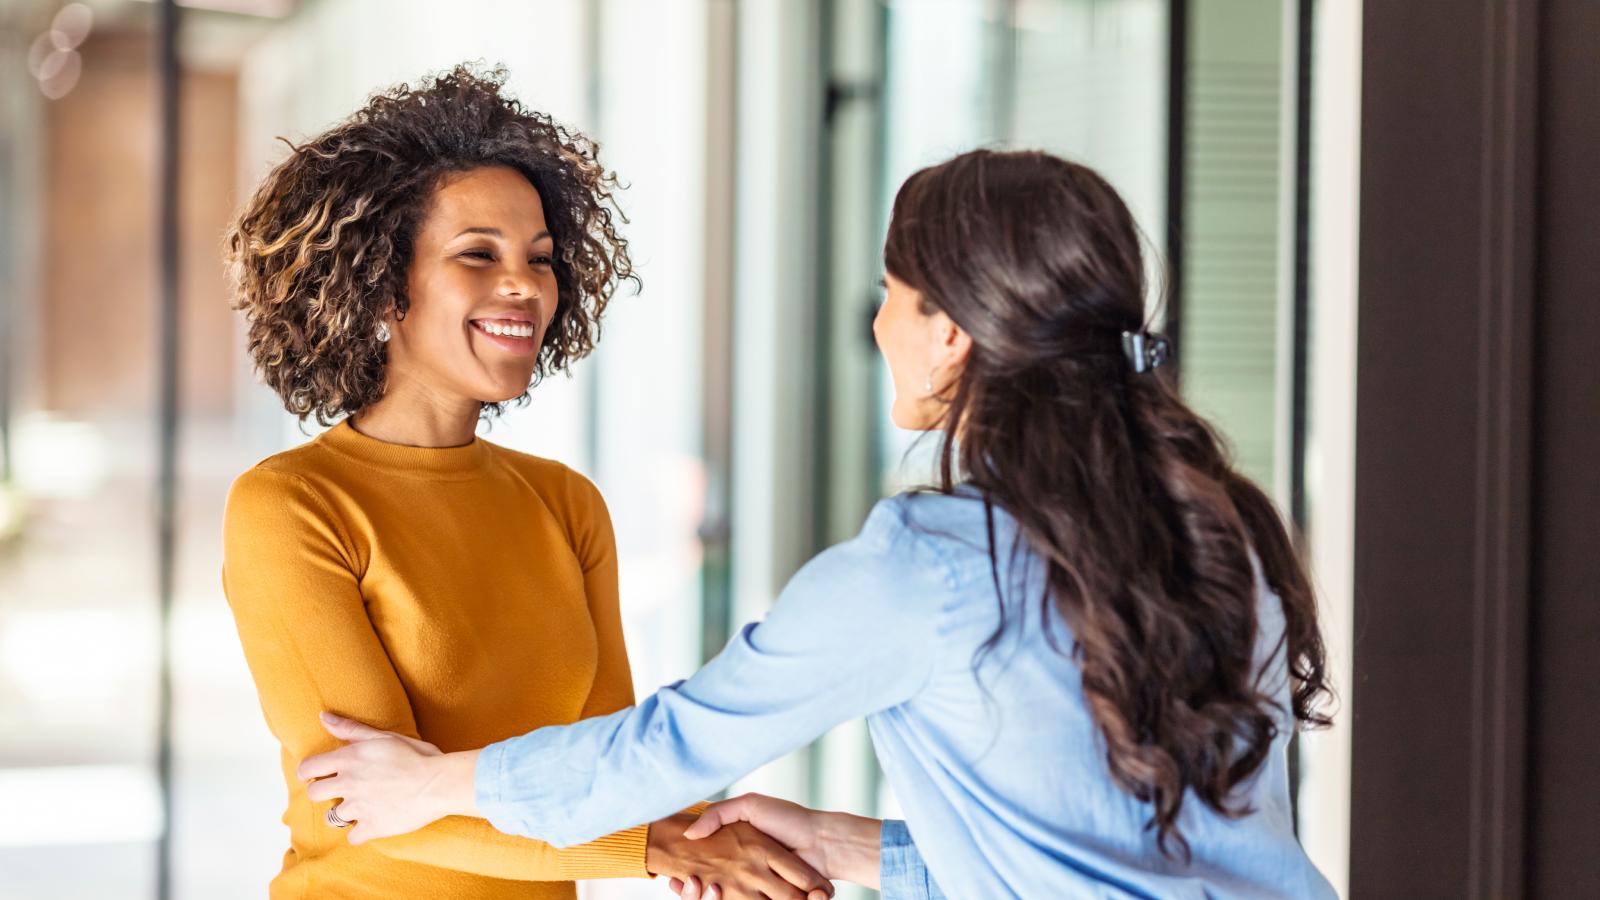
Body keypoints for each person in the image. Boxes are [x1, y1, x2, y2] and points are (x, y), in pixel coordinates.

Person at [303, 148, 1339, 900]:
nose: (878, 323)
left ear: (948, 334)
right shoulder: (1218, 529)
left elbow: (672, 746)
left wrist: (434, 783)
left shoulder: (927, 569)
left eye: (890, 293)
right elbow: (1111, 853)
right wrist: (843, 846)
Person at [220, 64, 831, 900]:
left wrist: (729, 840)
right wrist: (663, 849)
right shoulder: (293, 505)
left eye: (540, 260)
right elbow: (372, 803)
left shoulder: (565, 503)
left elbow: (608, 768)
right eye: (479, 254)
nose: (523, 286)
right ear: (383, 284)